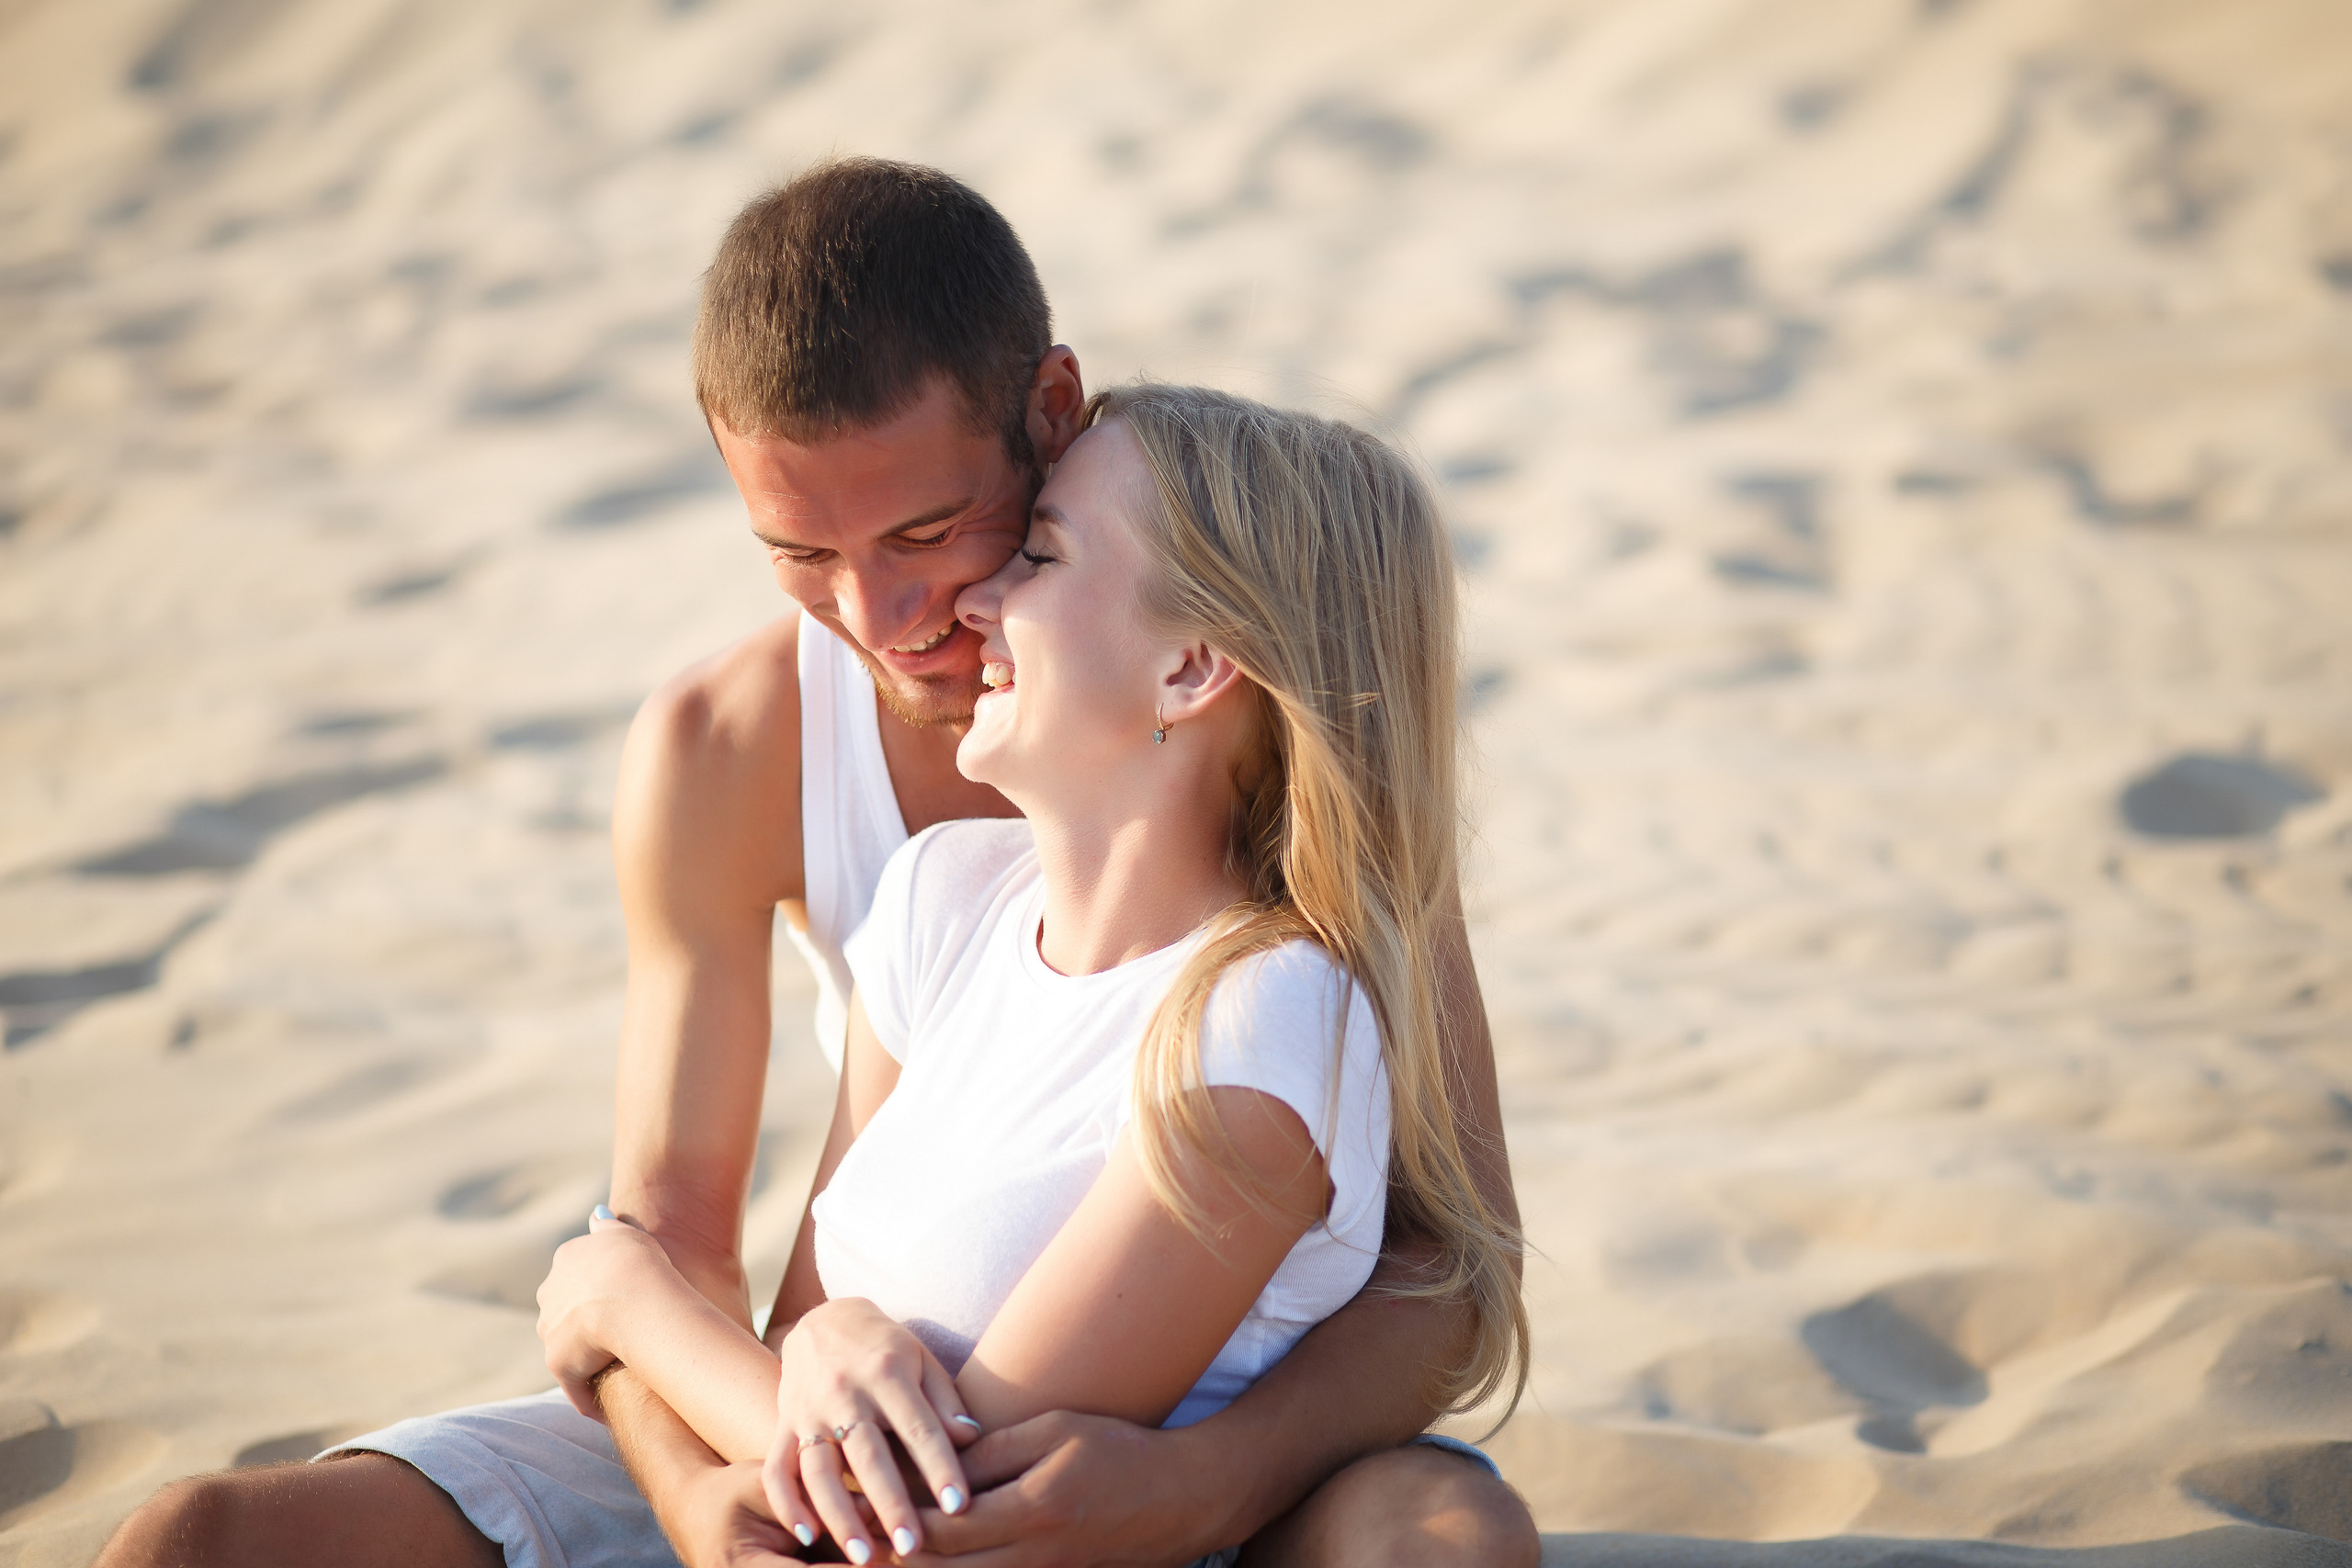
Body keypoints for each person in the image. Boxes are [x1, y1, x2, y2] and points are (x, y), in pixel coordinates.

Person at [94, 159, 1537, 1568]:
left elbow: (1451, 1260)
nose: (889, 615)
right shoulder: (818, 814)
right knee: (194, 1539)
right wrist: (702, 1482)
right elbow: (684, 1253)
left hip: (1117, 1431)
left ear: (1048, 414)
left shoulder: (1279, 783)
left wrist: (1195, 1484)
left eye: (939, 532)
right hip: (792, 1422)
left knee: (1442, 1537)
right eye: (800, 553)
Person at [534, 381, 1529, 1568]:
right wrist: (821, 1341)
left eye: (1038, 558)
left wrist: (628, 1305)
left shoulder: (1267, 1020)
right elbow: (803, 1339)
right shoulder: (944, 897)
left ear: (1190, 670)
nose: (976, 601)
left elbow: (924, 1511)